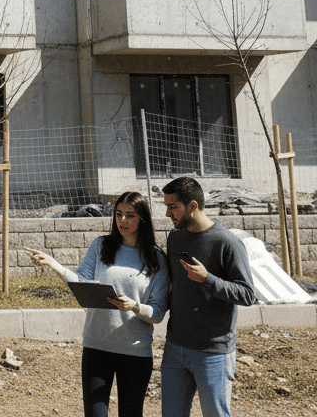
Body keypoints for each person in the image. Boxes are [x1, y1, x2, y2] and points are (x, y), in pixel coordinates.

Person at [28, 190, 169, 417]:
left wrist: (134, 306)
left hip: (135, 352)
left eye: (130, 215)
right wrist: (54, 264)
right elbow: (82, 282)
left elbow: (158, 312)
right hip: (96, 347)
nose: (122, 220)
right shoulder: (101, 246)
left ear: (142, 219)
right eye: (119, 214)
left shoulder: (157, 259)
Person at [161, 175, 256, 417]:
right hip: (175, 348)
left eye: (173, 207)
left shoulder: (227, 242)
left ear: (192, 206)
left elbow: (247, 294)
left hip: (213, 353)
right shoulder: (175, 237)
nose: (167, 214)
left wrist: (208, 279)